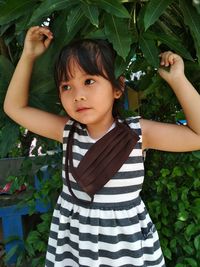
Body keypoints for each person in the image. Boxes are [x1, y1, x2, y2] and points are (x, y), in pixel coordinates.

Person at [3, 26, 200, 267]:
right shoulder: (66, 131)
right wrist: (28, 55)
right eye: (67, 86)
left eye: (89, 81)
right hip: (75, 246)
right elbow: (14, 108)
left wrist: (178, 79)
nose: (78, 95)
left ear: (117, 87)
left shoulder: (138, 133)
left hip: (124, 248)